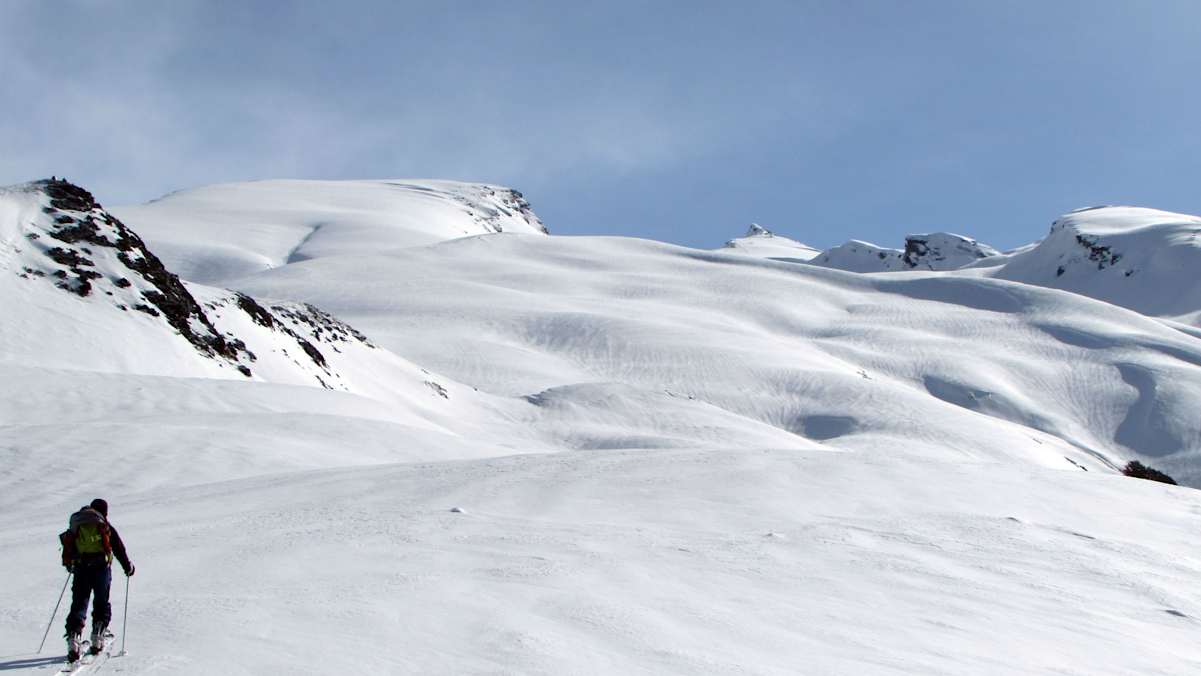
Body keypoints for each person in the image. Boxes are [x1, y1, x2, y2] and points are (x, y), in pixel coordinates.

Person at [59, 498, 134, 662]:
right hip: (101, 567)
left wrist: (70, 565)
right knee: (101, 601)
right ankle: (98, 636)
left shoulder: (78, 523)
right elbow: (118, 547)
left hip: (81, 568)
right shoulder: (104, 525)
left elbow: (69, 545)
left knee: (79, 603)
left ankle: (74, 638)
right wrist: (128, 566)